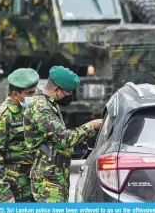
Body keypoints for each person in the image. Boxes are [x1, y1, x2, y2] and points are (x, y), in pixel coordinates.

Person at [23, 66, 104, 202]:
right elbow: (65, 138)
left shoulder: (49, 104)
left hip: (55, 175)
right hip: (48, 180)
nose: (69, 96)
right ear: (56, 90)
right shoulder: (41, 108)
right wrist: (91, 126)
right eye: (68, 92)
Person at [0, 68, 40, 203]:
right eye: (30, 93)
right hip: (15, 187)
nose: (34, 96)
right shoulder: (0, 117)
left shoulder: (31, 111)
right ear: (15, 94)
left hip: (34, 184)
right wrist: (5, 194)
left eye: (35, 92)